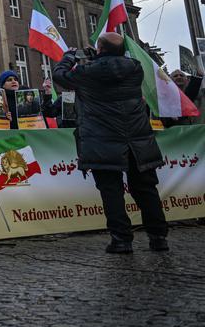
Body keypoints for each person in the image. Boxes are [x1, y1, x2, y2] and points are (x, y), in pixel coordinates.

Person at [53, 33, 169, 253]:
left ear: (100, 50)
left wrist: (70, 56)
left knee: (111, 191)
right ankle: (158, 237)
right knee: (146, 189)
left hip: (102, 139)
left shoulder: (88, 73)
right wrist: (97, 56)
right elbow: (111, 68)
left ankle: (121, 239)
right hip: (137, 139)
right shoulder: (135, 68)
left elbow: (60, 75)